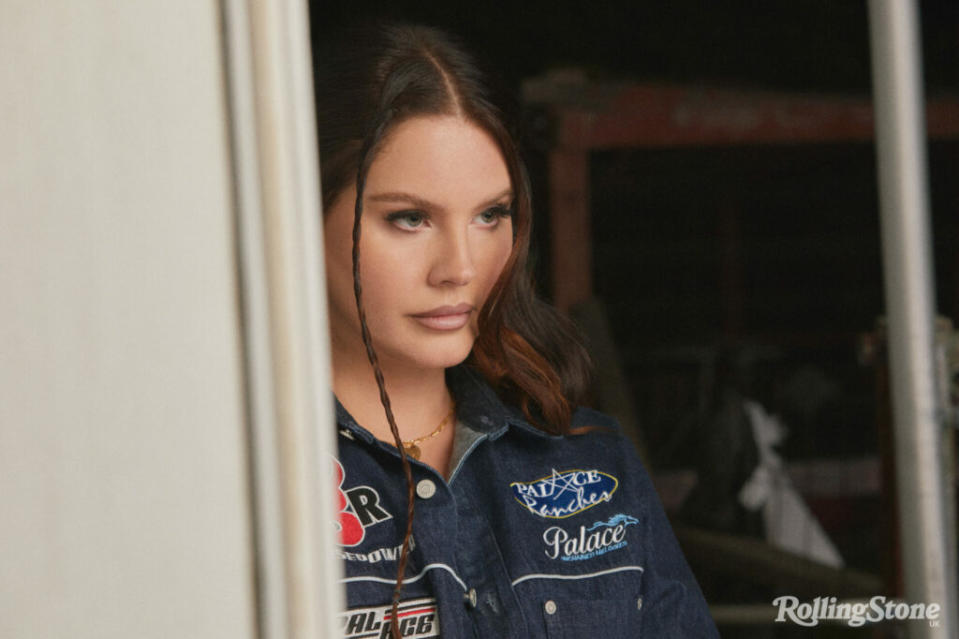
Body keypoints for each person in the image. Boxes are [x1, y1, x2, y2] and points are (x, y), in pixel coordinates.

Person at [313, 22, 719, 639]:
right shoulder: (243, 476)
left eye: (490, 215)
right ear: (300, 213)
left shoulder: (590, 459)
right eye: (410, 218)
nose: (461, 269)